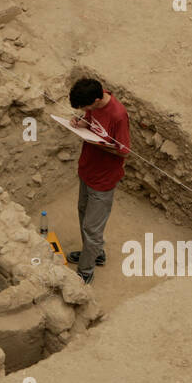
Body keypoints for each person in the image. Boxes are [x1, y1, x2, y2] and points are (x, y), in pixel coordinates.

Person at [67, 77, 130, 284]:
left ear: (96, 99)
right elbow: (90, 120)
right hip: (87, 170)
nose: (85, 110)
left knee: (92, 229)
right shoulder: (95, 99)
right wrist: (81, 123)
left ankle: (86, 270)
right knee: (84, 215)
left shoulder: (118, 115)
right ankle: (96, 253)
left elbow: (123, 152)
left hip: (103, 180)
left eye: (85, 107)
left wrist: (94, 143)